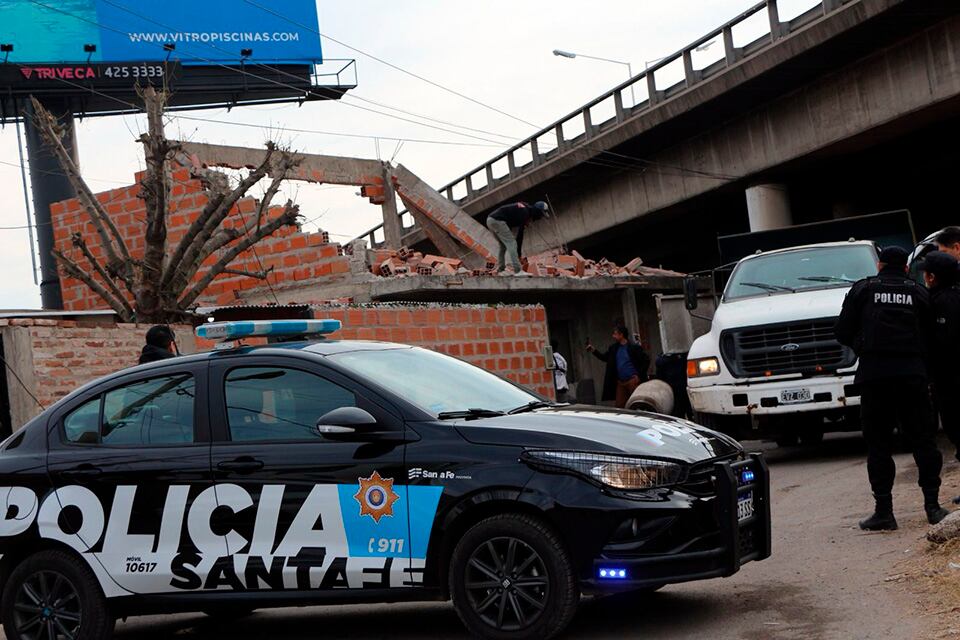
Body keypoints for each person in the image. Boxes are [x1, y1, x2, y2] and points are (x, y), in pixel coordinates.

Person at [835, 246, 949, 530]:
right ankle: (933, 507)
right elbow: (935, 337)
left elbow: (842, 332)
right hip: (912, 377)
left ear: (880, 266)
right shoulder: (918, 292)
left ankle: (884, 512)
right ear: (907, 269)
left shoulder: (863, 290)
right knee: (923, 441)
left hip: (874, 378)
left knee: (879, 445)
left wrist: (863, 346)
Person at [919, 250, 960, 463]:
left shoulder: (936, 303)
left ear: (932, 277)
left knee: (954, 426)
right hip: (947, 378)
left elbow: (940, 342)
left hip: (948, 379)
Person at [587, 325, 650, 409]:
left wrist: (639, 376)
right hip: (621, 382)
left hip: (632, 381)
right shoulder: (614, 348)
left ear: (621, 335)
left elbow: (646, 360)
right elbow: (605, 357)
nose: (613, 336)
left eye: (615, 334)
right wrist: (594, 350)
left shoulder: (634, 347)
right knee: (619, 406)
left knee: (636, 404)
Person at [485, 201, 549, 275]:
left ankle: (501, 269)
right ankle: (518, 271)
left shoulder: (524, 209)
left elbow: (509, 223)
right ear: (537, 212)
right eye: (541, 215)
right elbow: (519, 236)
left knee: (503, 245)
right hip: (497, 220)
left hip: (490, 220)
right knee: (512, 243)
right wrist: (519, 255)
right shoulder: (525, 212)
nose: (540, 218)